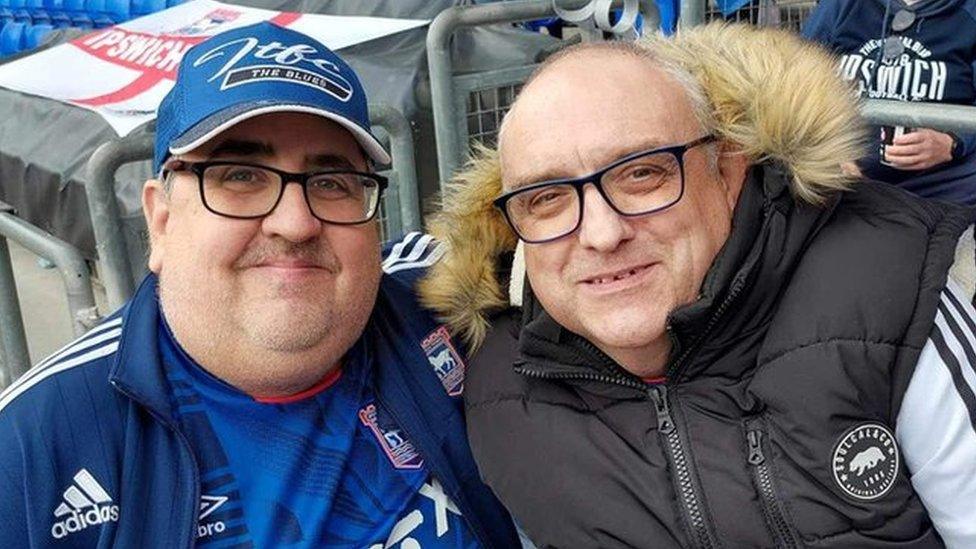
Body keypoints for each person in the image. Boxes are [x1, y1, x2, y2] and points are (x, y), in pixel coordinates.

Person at [420, 23, 976, 548]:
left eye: (641, 173)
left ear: (729, 168)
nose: (601, 233)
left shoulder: (895, 293)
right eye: (546, 199)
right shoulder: (495, 377)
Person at [0, 21, 517, 548]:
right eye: (240, 176)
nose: (295, 223)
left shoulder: (441, 297)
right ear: (161, 221)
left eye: (332, 182)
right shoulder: (30, 450)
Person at [802, 0, 976, 205]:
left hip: (942, 185)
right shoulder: (840, 6)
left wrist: (952, 143)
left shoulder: (969, 12)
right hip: (840, 177)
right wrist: (827, 154)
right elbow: (796, 81)